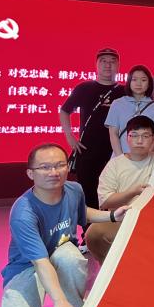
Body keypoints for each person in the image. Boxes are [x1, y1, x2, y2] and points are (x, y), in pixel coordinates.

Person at [0, 143, 129, 307]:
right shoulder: (23, 213)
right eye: (45, 167)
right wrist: (59, 300)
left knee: (70, 257)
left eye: (60, 165)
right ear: (31, 173)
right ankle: (41, 291)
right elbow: (41, 262)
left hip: (61, 251)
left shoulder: (74, 189)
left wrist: (112, 216)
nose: (54, 172)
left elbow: (81, 212)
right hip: (29, 265)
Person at [60, 47, 125, 209]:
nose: (108, 65)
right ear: (96, 64)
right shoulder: (84, 88)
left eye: (112, 62)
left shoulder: (124, 91)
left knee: (114, 193)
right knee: (88, 194)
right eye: (103, 61)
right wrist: (69, 136)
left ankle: (112, 224)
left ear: (118, 66)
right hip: (87, 150)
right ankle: (89, 225)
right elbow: (65, 110)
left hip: (116, 151)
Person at [86, 116, 154, 263]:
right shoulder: (115, 165)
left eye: (145, 136)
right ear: (127, 138)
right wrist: (132, 192)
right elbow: (105, 202)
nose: (140, 141)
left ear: (153, 138)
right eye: (134, 135)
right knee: (94, 232)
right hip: (121, 218)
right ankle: (110, 270)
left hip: (153, 219)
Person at [105, 65, 154, 156]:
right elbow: (113, 134)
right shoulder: (117, 104)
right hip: (119, 157)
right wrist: (121, 158)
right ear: (129, 82)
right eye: (134, 79)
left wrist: (144, 158)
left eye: (143, 80)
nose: (138, 84)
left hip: (145, 159)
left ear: (149, 83)